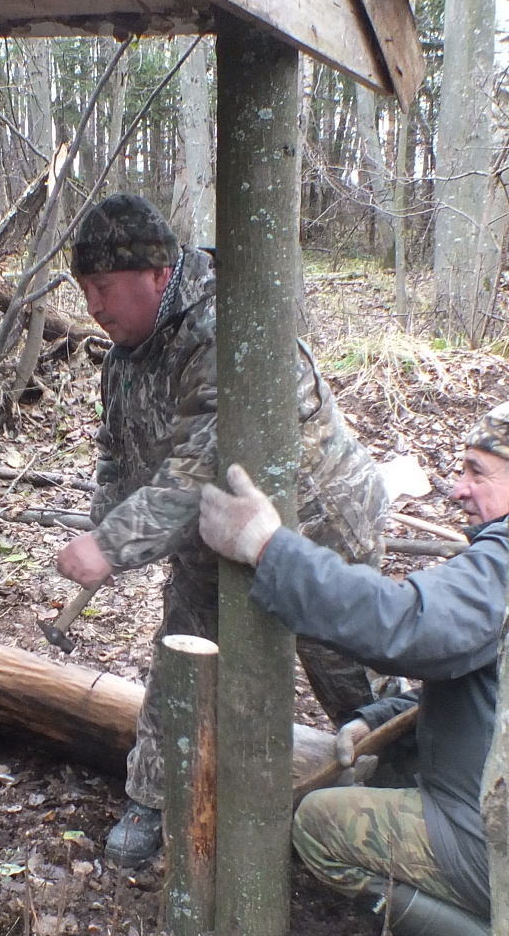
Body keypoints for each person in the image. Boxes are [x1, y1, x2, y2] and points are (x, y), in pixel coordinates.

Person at [53, 193, 389, 867]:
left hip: (316, 526)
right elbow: (118, 453)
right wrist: (104, 524)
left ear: (155, 272)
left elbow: (201, 464)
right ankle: (152, 800)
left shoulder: (227, 327)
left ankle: (409, 800)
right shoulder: (124, 354)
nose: (91, 304)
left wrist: (111, 546)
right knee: (183, 654)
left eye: (102, 288)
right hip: (211, 535)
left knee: (348, 671)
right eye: (83, 289)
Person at [197, 402, 509, 936]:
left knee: (319, 825)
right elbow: (484, 678)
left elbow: (405, 622)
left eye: (478, 472)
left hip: (498, 841)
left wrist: (269, 548)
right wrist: (377, 719)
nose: (457, 488)